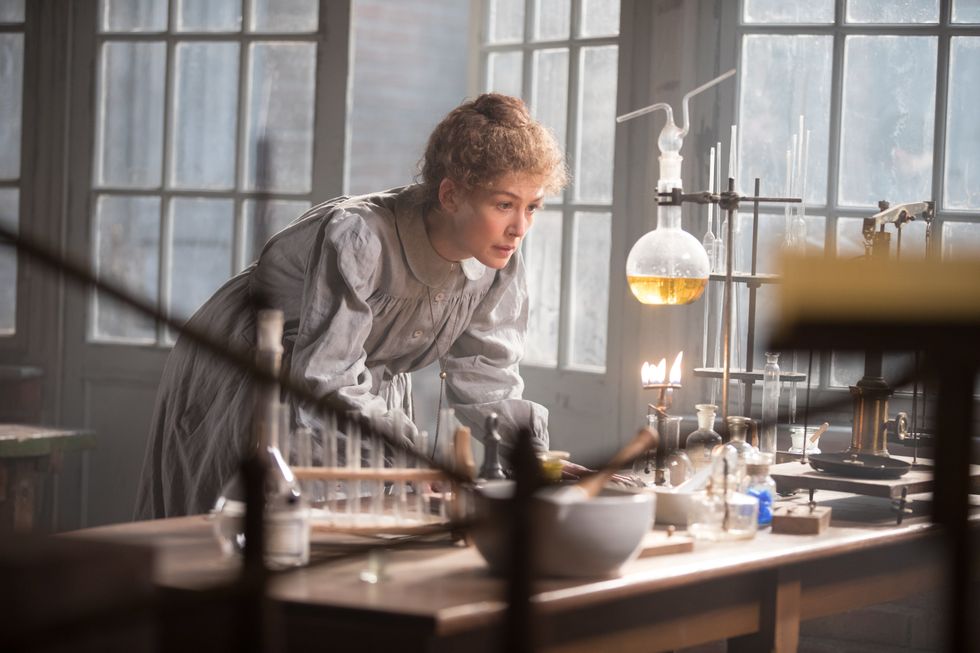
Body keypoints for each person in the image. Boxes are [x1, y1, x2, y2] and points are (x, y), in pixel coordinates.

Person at [135, 93, 568, 519]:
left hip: (352, 387)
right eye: (504, 204)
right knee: (253, 535)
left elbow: (486, 374)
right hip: (255, 368)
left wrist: (531, 456)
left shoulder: (499, 260)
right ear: (451, 195)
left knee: (360, 527)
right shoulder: (361, 237)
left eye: (533, 207)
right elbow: (326, 377)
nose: (520, 228)